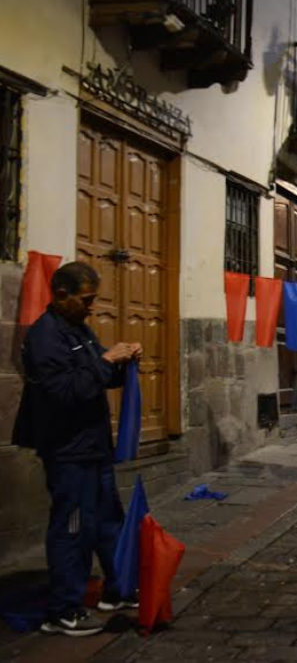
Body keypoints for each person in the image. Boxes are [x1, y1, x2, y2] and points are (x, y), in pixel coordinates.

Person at [13, 262, 143, 636]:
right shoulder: (44, 338)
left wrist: (122, 362)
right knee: (73, 527)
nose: (92, 306)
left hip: (93, 445)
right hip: (68, 449)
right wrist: (106, 361)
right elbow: (66, 393)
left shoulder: (78, 330)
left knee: (106, 519)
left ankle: (116, 590)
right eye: (86, 299)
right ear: (61, 295)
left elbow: (98, 376)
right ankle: (63, 611)